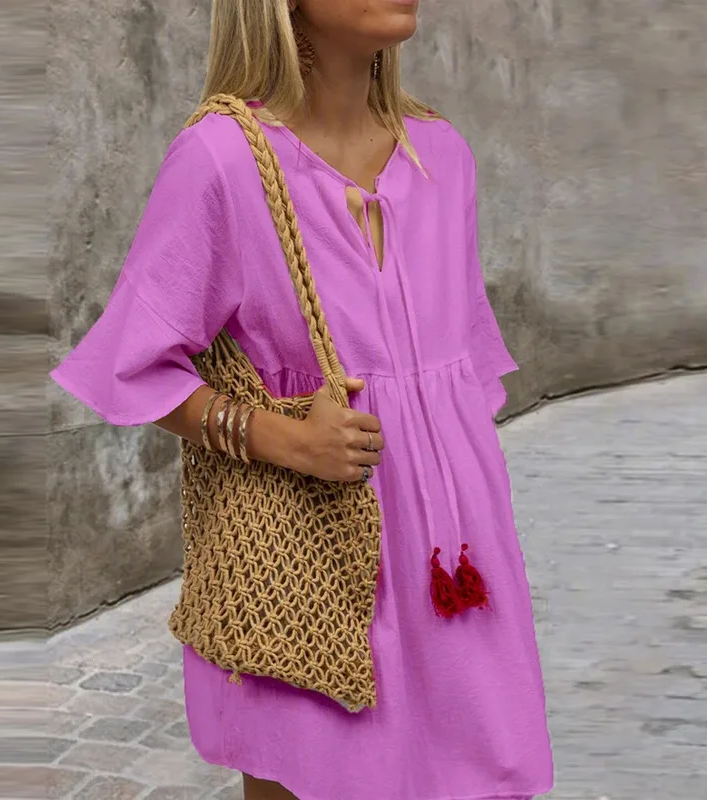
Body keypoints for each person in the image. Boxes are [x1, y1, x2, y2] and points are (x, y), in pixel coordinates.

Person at [50, 1, 554, 798]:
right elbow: (133, 365)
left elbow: (460, 384)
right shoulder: (223, 159)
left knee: (478, 774)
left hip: (455, 557)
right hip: (311, 550)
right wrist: (282, 438)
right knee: (316, 775)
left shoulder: (442, 155)